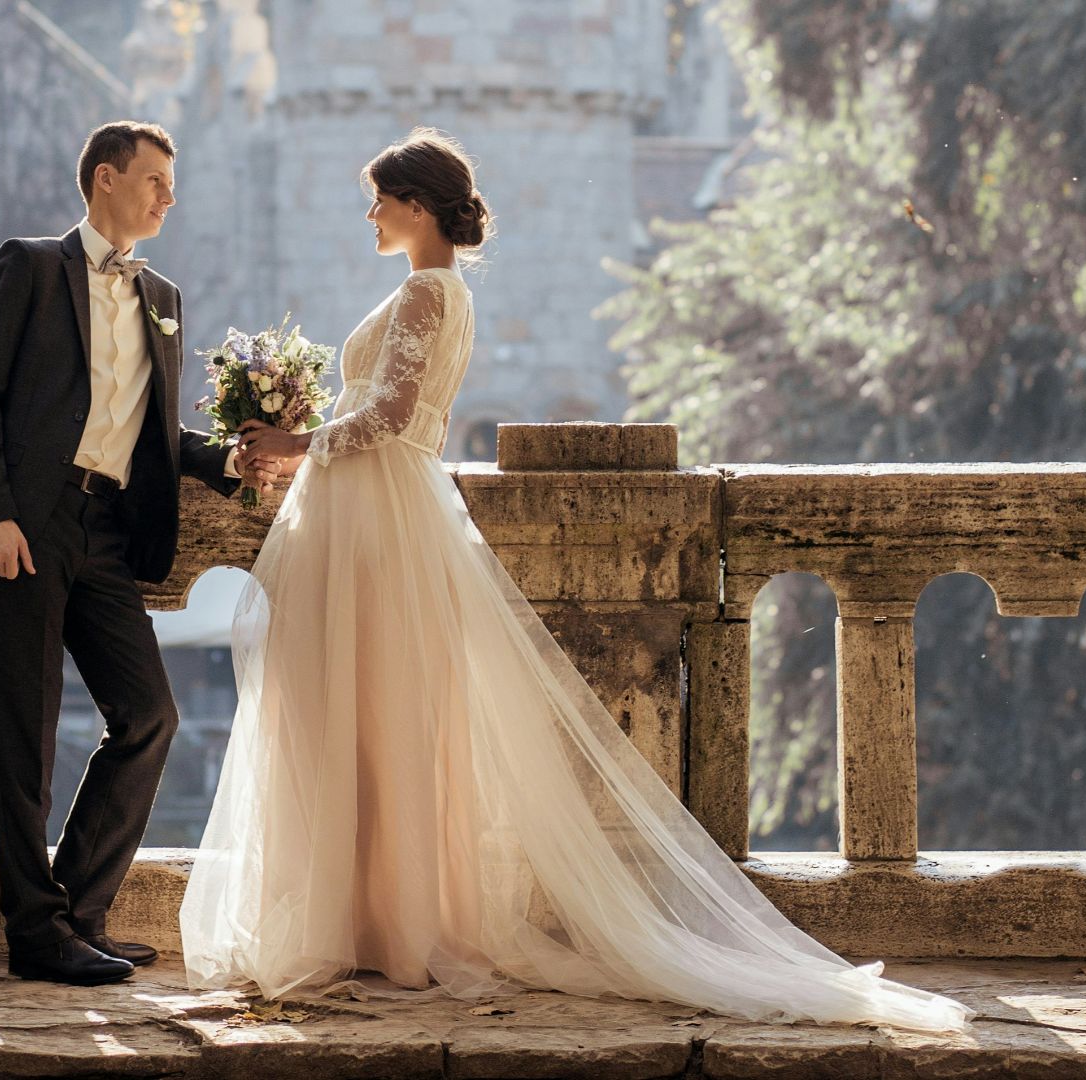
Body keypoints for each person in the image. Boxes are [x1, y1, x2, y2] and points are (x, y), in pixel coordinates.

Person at [181, 127, 974, 1032]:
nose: (369, 215)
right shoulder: (440, 293)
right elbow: (381, 422)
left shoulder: (425, 295)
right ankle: (378, 921)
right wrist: (288, 459)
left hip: (379, 523)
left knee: (369, 713)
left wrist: (293, 443)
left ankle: (384, 926)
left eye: (379, 200)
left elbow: (394, 419)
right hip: (375, 515)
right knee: (370, 714)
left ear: (418, 206)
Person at [0, 121, 280, 986]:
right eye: (157, 179)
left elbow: (155, 429)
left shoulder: (160, 292)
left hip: (109, 534)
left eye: (172, 181)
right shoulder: (28, 264)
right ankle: (34, 935)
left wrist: (229, 461)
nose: (170, 195)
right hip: (27, 524)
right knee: (24, 737)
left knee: (149, 715)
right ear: (104, 180)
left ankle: (79, 913)